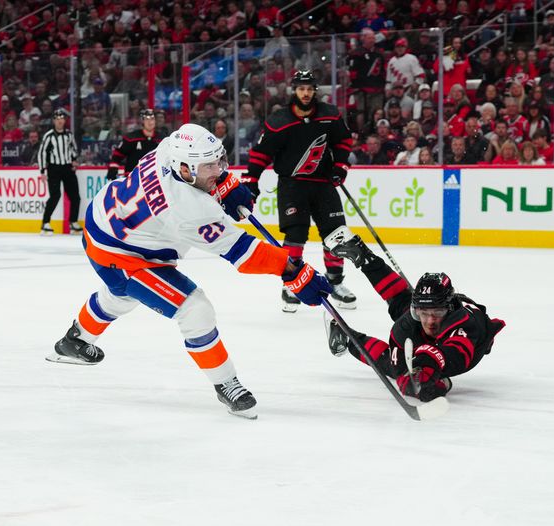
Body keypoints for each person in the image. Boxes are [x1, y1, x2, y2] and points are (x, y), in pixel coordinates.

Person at [48, 123, 332, 419]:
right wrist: (291, 271)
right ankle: (226, 383)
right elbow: (243, 253)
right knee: (194, 309)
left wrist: (226, 184)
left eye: (219, 161)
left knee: (123, 295)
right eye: (209, 166)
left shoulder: (170, 147)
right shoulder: (188, 209)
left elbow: (205, 169)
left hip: (108, 224)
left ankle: (75, 340)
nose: (218, 169)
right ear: (185, 169)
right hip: (120, 253)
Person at [321, 226, 505, 402]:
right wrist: (410, 378)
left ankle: (349, 341)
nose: (430, 321)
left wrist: (428, 371)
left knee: (400, 370)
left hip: (477, 342)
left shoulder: (463, 325)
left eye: (437, 312)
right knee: (399, 303)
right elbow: (399, 363)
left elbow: (453, 353)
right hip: (428, 329)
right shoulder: (408, 323)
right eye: (422, 313)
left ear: (449, 308)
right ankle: (363, 256)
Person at [243, 70, 356, 312]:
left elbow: (344, 142)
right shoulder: (279, 120)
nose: (305, 93)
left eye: (309, 88)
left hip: (323, 183)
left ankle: (335, 283)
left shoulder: (330, 115)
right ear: (294, 90)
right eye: (301, 88)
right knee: (295, 236)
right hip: (292, 185)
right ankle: (290, 284)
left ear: (315, 90)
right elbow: (261, 153)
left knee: (335, 234)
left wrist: (340, 167)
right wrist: (251, 180)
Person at [37, 108, 81, 235]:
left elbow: (74, 149)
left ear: (65, 120)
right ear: (54, 121)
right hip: (54, 169)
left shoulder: (69, 135)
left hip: (67, 168)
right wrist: (42, 171)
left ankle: (73, 222)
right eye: (57, 119)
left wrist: (74, 160)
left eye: (62, 119)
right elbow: (42, 153)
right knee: (55, 196)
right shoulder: (49, 136)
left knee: (75, 197)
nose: (60, 121)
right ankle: (45, 223)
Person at [106, 108, 162, 180]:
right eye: (146, 119)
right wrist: (113, 169)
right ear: (142, 121)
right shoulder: (131, 138)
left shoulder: (161, 139)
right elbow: (118, 154)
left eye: (152, 119)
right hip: (132, 179)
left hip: (153, 180)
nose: (150, 122)